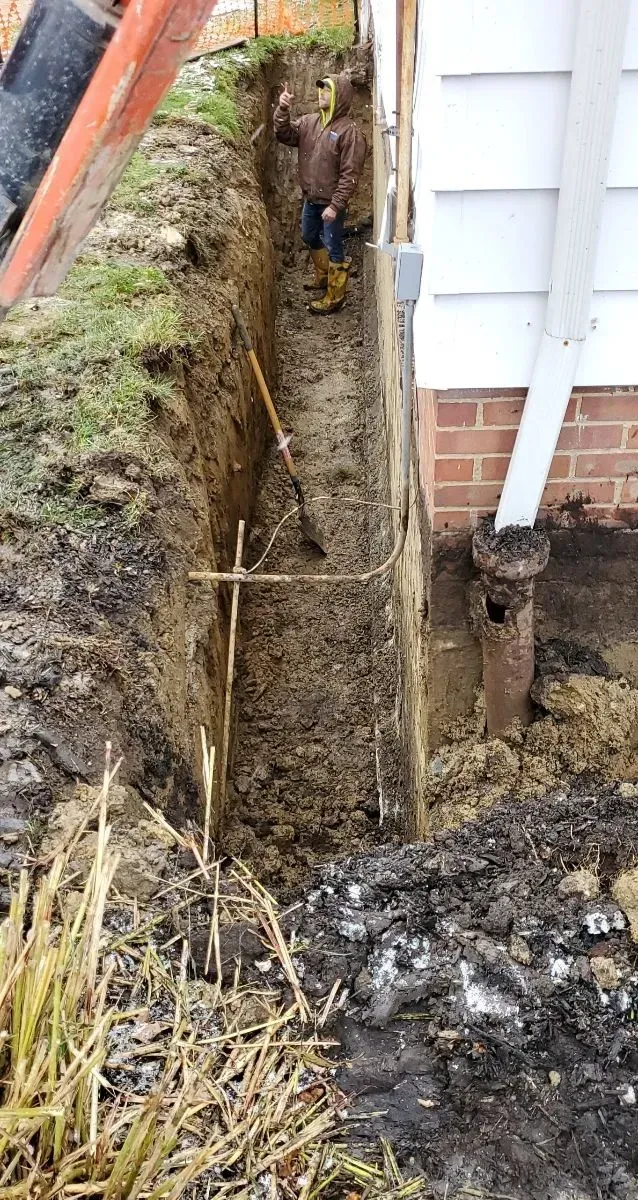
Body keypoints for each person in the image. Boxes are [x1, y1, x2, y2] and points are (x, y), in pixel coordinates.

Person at [273, 73, 366, 315]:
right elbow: (284, 135)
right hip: (312, 199)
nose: (321, 93)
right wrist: (283, 109)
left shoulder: (349, 133)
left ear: (339, 96)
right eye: (321, 89)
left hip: (331, 204)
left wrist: (335, 205)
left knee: (334, 245)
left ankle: (335, 297)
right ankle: (324, 275)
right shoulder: (309, 123)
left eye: (327, 90)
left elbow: (350, 175)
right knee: (308, 235)